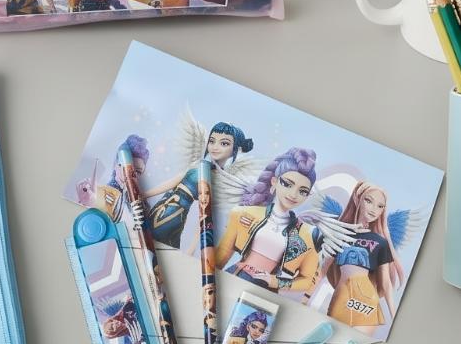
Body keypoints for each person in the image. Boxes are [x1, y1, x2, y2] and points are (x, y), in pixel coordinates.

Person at [215, 147, 319, 292]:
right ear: (274, 181)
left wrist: (274, 281)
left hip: (267, 290)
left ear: (308, 195)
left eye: (303, 191)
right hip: (236, 277)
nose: (293, 194)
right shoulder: (244, 213)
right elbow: (220, 257)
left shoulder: (307, 234)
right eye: (287, 184)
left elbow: (307, 280)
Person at [145, 122, 254, 249]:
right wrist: (144, 194)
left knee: (152, 245)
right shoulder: (200, 164)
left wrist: (192, 248)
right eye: (212, 141)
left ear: (235, 149)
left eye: (224, 143)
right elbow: (173, 182)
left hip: (174, 214)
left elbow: (205, 216)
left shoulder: (219, 180)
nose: (215, 147)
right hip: (162, 205)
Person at [324, 182, 404, 333]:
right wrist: (306, 297)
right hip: (341, 299)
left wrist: (394, 315)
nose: (374, 209)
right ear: (357, 199)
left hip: (367, 304)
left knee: (357, 342)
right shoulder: (341, 234)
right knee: (330, 334)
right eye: (369, 201)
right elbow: (323, 269)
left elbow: (386, 283)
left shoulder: (380, 242)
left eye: (380, 206)